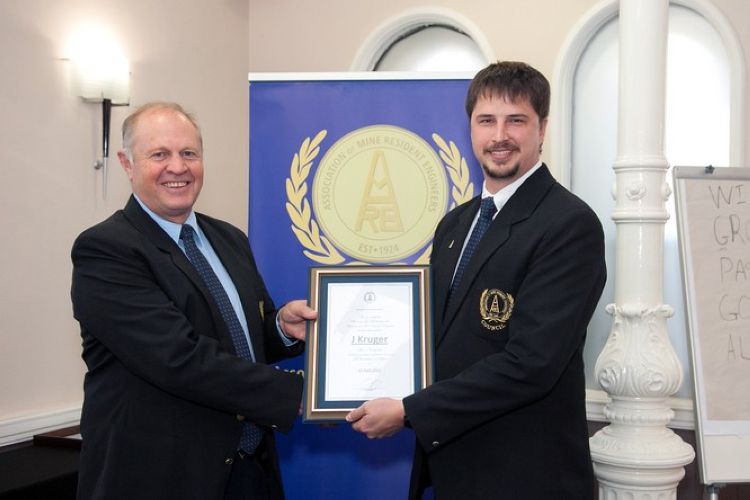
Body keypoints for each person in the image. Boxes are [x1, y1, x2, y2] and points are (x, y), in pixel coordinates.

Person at [346, 61, 606, 499]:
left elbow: (530, 365)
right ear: (470, 128)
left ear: (542, 129)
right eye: (486, 120)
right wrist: (345, 378)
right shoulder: (455, 224)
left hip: (524, 477)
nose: (499, 136)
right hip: (450, 469)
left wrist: (409, 411)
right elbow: (432, 337)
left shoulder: (568, 224)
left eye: (516, 120)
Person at [71, 102, 317, 500]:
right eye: (159, 154)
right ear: (127, 163)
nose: (178, 167)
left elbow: (238, 341)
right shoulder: (106, 249)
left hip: (249, 470)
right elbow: (178, 358)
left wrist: (279, 327)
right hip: (162, 478)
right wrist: (302, 393)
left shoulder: (230, 239)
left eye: (189, 153)